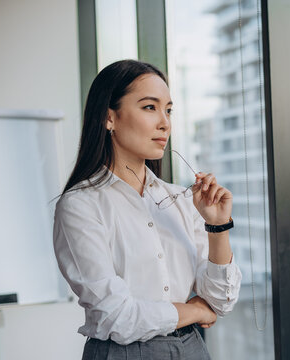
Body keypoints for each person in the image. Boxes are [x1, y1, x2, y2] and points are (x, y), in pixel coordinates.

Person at [53, 59, 242, 359]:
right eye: (149, 107)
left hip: (191, 348)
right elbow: (116, 315)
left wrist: (217, 228)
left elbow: (221, 301)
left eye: (168, 110)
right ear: (109, 117)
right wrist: (192, 310)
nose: (165, 123)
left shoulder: (182, 199)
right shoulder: (80, 206)